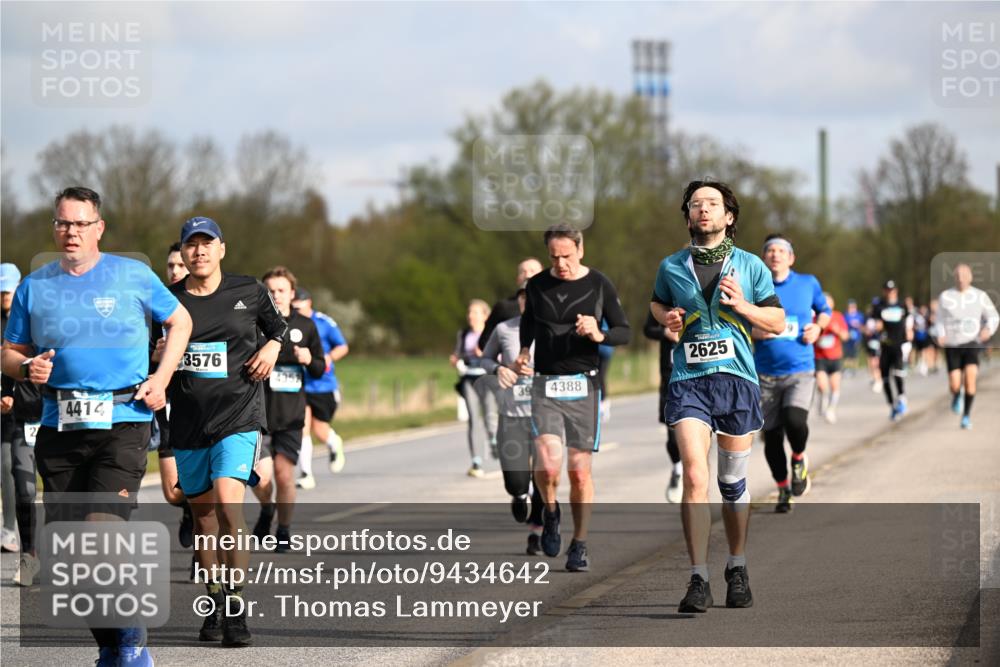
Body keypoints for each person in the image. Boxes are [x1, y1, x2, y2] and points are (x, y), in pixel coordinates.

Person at [1, 187, 192, 666]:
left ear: (98, 228)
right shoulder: (34, 286)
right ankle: (113, 646)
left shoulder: (132, 275)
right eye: (63, 224)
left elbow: (181, 321)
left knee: (98, 544)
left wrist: (162, 377)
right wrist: (24, 370)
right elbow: (9, 352)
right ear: (54, 228)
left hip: (122, 423)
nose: (71, 232)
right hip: (59, 427)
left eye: (81, 223)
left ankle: (130, 640)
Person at [651, 179, 784, 613]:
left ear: (729, 216)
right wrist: (667, 318)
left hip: (737, 380)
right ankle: (697, 577)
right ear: (687, 216)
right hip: (688, 379)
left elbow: (777, 321)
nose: (703, 210)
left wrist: (744, 306)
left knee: (731, 484)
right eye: (695, 204)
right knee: (694, 476)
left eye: (712, 204)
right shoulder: (671, 266)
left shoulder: (750, 266)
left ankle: (737, 566)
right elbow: (656, 306)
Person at [167, 216, 286, 647]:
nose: (199, 251)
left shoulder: (248, 291)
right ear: (182, 253)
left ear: (222, 248)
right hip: (187, 422)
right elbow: (147, 353)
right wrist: (158, 351)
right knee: (203, 520)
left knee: (228, 505)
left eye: (207, 243)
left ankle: (236, 606)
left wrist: (272, 346)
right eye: (191, 244)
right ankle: (214, 599)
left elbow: (280, 328)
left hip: (239, 415)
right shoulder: (168, 301)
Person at [514, 223, 631, 573]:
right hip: (546, 385)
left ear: (580, 250)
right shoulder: (537, 285)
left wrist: (599, 333)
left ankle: (579, 544)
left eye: (566, 256)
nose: (561, 263)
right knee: (548, 465)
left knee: (579, 473)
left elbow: (623, 331)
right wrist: (523, 351)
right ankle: (550, 511)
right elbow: (529, 323)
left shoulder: (599, 283)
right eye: (554, 257)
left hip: (584, 385)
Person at [753, 234, 830, 514]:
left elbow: (824, 310)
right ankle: (784, 489)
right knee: (772, 438)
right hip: (764, 375)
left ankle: (798, 458)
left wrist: (819, 328)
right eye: (770, 250)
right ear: (764, 258)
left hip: (800, 370)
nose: (775, 254)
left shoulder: (808, 283)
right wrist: (754, 331)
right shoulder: (754, 287)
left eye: (781, 250)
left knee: (795, 421)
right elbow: (737, 321)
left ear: (791, 257)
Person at [250, 269, 325, 550]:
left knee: (284, 474)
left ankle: (283, 529)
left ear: (292, 294)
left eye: (281, 290)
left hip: (291, 416)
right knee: (259, 477)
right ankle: (267, 509)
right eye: (270, 290)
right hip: (258, 416)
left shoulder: (306, 326)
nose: (276, 295)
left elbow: (320, 369)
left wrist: (308, 359)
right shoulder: (253, 325)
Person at [480, 286, 545, 554]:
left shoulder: (551, 329)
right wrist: (500, 369)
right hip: (512, 415)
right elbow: (484, 359)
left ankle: (538, 532)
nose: (527, 304)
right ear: (519, 303)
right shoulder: (504, 329)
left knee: (545, 476)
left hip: (546, 416)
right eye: (523, 300)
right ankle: (519, 494)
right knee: (516, 481)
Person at [150, 243, 194, 554]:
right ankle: (188, 511)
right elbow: (137, 353)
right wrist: (154, 355)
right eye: (170, 266)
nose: (175, 271)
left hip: (198, 404)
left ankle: (202, 556)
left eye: (181, 265)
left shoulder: (205, 304)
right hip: (167, 405)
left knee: (205, 485)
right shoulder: (154, 306)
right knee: (172, 493)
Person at [2, 263, 44, 586]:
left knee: (61, 493)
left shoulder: (61, 325)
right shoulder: (14, 333)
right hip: (21, 418)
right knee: (25, 488)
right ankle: (29, 556)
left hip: (56, 418)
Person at [291, 287, 348, 489]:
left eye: (300, 305)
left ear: (310, 303)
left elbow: (342, 346)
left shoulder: (324, 322)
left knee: (320, 430)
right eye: (294, 306)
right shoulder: (288, 322)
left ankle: (334, 443)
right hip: (299, 384)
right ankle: (306, 473)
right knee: (302, 428)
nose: (296, 309)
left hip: (323, 385)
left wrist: (328, 358)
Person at [936, 263, 999, 429]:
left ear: (970, 277)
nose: (961, 278)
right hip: (952, 344)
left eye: (964, 275)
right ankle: (957, 395)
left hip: (972, 342)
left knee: (970, 380)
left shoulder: (980, 296)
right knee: (955, 384)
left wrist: (988, 330)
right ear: (954, 277)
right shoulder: (945, 296)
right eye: (958, 275)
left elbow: (993, 316)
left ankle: (966, 416)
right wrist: (940, 334)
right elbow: (939, 320)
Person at [451, 299, 497, 477]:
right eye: (470, 312)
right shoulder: (463, 334)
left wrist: (484, 354)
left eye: (476, 312)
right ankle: (476, 461)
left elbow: (498, 354)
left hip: (486, 377)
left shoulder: (492, 333)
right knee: (473, 418)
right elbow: (457, 352)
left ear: (485, 316)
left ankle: (494, 440)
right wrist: (455, 359)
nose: (471, 316)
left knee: (489, 414)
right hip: (468, 378)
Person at [642, 309, 681, 502]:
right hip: (670, 378)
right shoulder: (663, 300)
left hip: (698, 376)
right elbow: (648, 329)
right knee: (673, 435)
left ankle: (697, 480)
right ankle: (678, 469)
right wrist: (664, 332)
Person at [869, 280, 914, 421]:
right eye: (887, 290)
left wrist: (909, 330)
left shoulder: (902, 305)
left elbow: (909, 319)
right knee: (885, 378)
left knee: (898, 373)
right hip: (885, 345)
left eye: (892, 290)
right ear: (884, 291)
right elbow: (873, 323)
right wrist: (876, 326)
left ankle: (901, 398)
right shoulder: (879, 306)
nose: (890, 293)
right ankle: (892, 405)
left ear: (896, 291)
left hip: (899, 344)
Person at [813, 293, 850, 425]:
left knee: (835, 386)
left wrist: (837, 331)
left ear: (832, 305)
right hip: (820, 357)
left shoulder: (838, 317)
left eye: (829, 303)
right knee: (823, 386)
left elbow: (846, 336)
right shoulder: (815, 317)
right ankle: (822, 399)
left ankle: (831, 409)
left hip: (835, 357)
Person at [843, 298, 865, 374]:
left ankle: (854, 369)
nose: (851, 308)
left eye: (853, 306)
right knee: (847, 354)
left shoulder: (860, 315)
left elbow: (863, 326)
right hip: (848, 338)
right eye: (850, 307)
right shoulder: (845, 315)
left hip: (857, 338)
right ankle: (847, 368)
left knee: (855, 354)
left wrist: (858, 325)